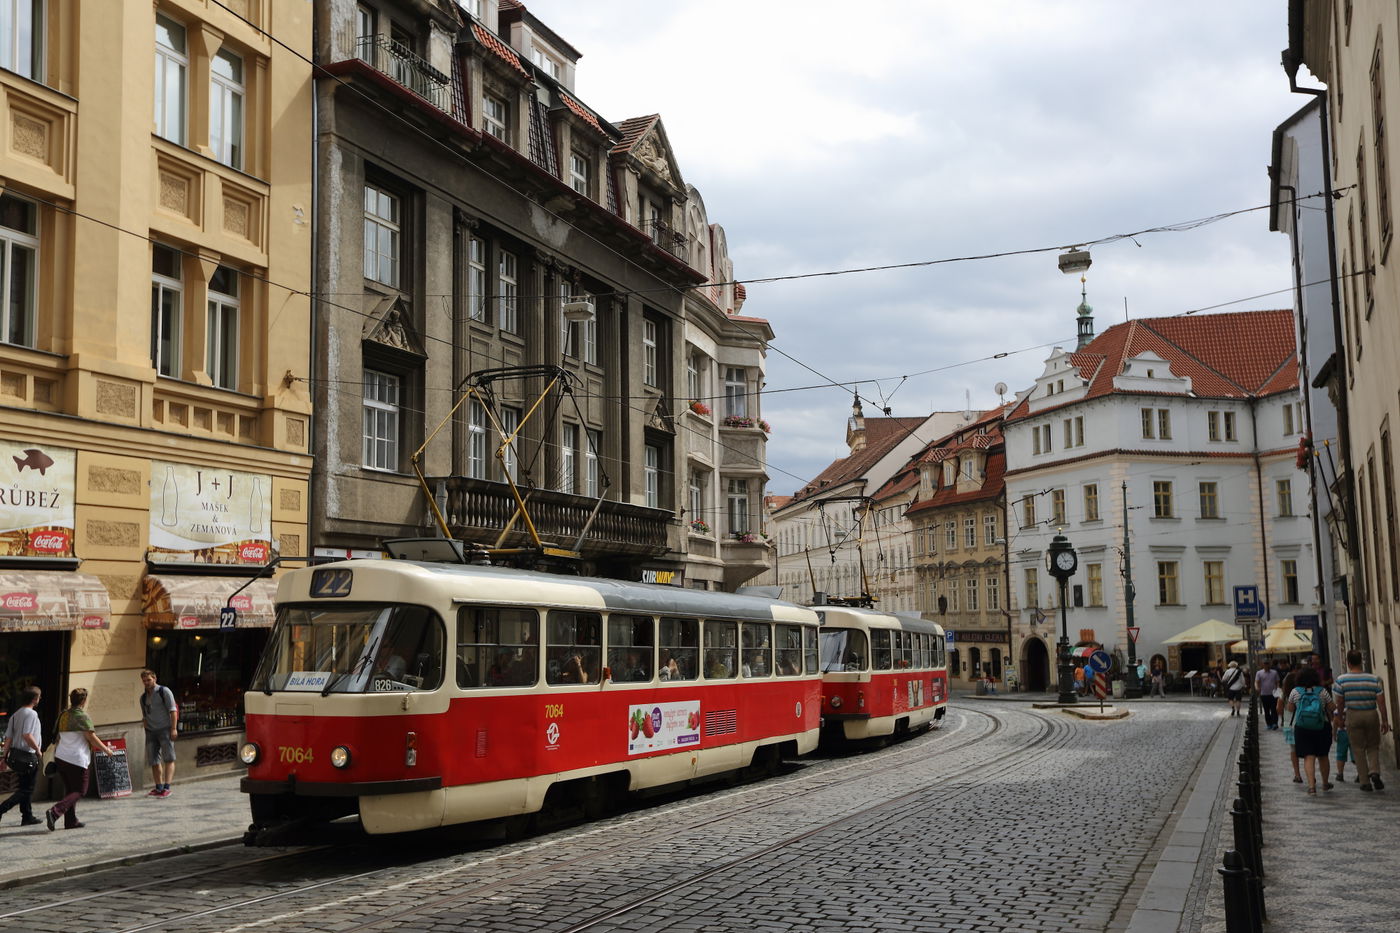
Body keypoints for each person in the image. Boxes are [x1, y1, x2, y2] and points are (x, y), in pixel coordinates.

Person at [47, 688, 116, 830]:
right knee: (80, 790)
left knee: (70, 790)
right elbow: (91, 737)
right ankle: (55, 811)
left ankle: (71, 822)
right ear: (84, 701)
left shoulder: (63, 715)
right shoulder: (82, 717)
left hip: (61, 757)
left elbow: (57, 736)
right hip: (76, 758)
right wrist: (106, 750)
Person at [1332, 648, 1392, 792]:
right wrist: (1384, 720)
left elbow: (1339, 702)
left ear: (1348, 663)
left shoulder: (1341, 680)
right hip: (1371, 713)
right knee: (1372, 746)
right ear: (1361, 662)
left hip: (1353, 714)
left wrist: (1340, 718)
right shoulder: (1374, 679)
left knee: (1358, 749)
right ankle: (1375, 772)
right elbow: (1381, 702)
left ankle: (1365, 781)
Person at [1286, 666, 1336, 796]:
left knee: (1309, 756)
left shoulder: (1295, 692)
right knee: (1323, 756)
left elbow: (1290, 709)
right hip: (1322, 726)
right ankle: (1325, 783)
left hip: (1302, 728)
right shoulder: (1322, 691)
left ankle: (1311, 787)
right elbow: (1332, 707)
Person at [0, 686, 44, 826]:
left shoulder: (15, 714)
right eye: (39, 696)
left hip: (16, 756)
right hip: (28, 756)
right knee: (27, 789)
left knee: (24, 786)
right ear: (34, 699)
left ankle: (27, 816)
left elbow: (8, 738)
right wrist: (37, 749)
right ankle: (2, 808)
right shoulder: (31, 714)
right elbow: (27, 735)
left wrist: (4, 757)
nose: (40, 699)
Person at [139, 669, 179, 798]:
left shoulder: (164, 691)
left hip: (165, 729)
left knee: (169, 758)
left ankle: (167, 787)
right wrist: (146, 726)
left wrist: (173, 728)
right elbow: (144, 715)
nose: (146, 683)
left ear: (155, 679)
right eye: (144, 681)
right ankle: (158, 787)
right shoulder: (143, 697)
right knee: (154, 761)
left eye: (149, 680)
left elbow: (173, 711)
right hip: (151, 731)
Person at [1278, 666, 1304, 783]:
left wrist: (1283, 714)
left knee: (1293, 750)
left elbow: (1278, 709)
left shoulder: (1283, 695)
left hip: (1289, 725)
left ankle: (1297, 774)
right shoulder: (1301, 693)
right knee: (1307, 750)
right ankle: (1310, 772)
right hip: (1302, 724)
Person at [1254, 659, 1281, 730]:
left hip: (1273, 694)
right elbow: (1257, 681)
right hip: (1264, 694)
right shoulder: (1259, 673)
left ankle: (1274, 723)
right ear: (1263, 665)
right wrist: (1257, 688)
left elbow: (1277, 682)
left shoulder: (1274, 672)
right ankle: (1269, 724)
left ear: (1270, 664)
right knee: (1266, 710)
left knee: (1274, 709)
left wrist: (1278, 689)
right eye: (1265, 664)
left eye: (1267, 664)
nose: (1266, 665)